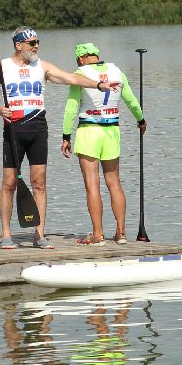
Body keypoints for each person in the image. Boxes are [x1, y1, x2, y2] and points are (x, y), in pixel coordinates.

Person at [0, 27, 120, 250]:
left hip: (38, 128)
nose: (36, 46)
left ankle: (39, 234)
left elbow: (70, 77)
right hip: (13, 129)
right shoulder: (2, 67)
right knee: (9, 183)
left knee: (40, 183)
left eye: (38, 42)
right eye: (32, 43)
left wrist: (98, 85)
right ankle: (6, 234)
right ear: (19, 45)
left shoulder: (42, 67)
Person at [61, 42, 146, 245]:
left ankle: (98, 235)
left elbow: (71, 108)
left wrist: (65, 136)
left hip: (89, 131)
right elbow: (132, 101)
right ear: (96, 55)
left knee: (92, 185)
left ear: (81, 58)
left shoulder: (79, 73)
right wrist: (141, 120)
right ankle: (121, 233)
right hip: (112, 131)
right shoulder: (117, 72)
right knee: (114, 184)